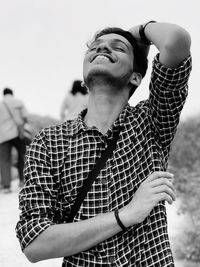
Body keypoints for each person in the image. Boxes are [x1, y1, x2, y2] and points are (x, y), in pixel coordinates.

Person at [16, 21, 192, 266]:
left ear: (136, 77)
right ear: (85, 80)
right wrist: (126, 215)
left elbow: (176, 42)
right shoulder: (48, 143)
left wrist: (138, 33)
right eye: (95, 47)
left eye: (117, 48)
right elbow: (34, 244)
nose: (103, 49)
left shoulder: (152, 121)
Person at [0, 88, 29, 193]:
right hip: (18, 133)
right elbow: (25, 117)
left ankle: (6, 186)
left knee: (4, 160)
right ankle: (23, 180)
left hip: (3, 136)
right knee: (23, 155)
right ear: (12, 93)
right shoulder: (18, 102)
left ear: (4, 94)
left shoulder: (1, 104)